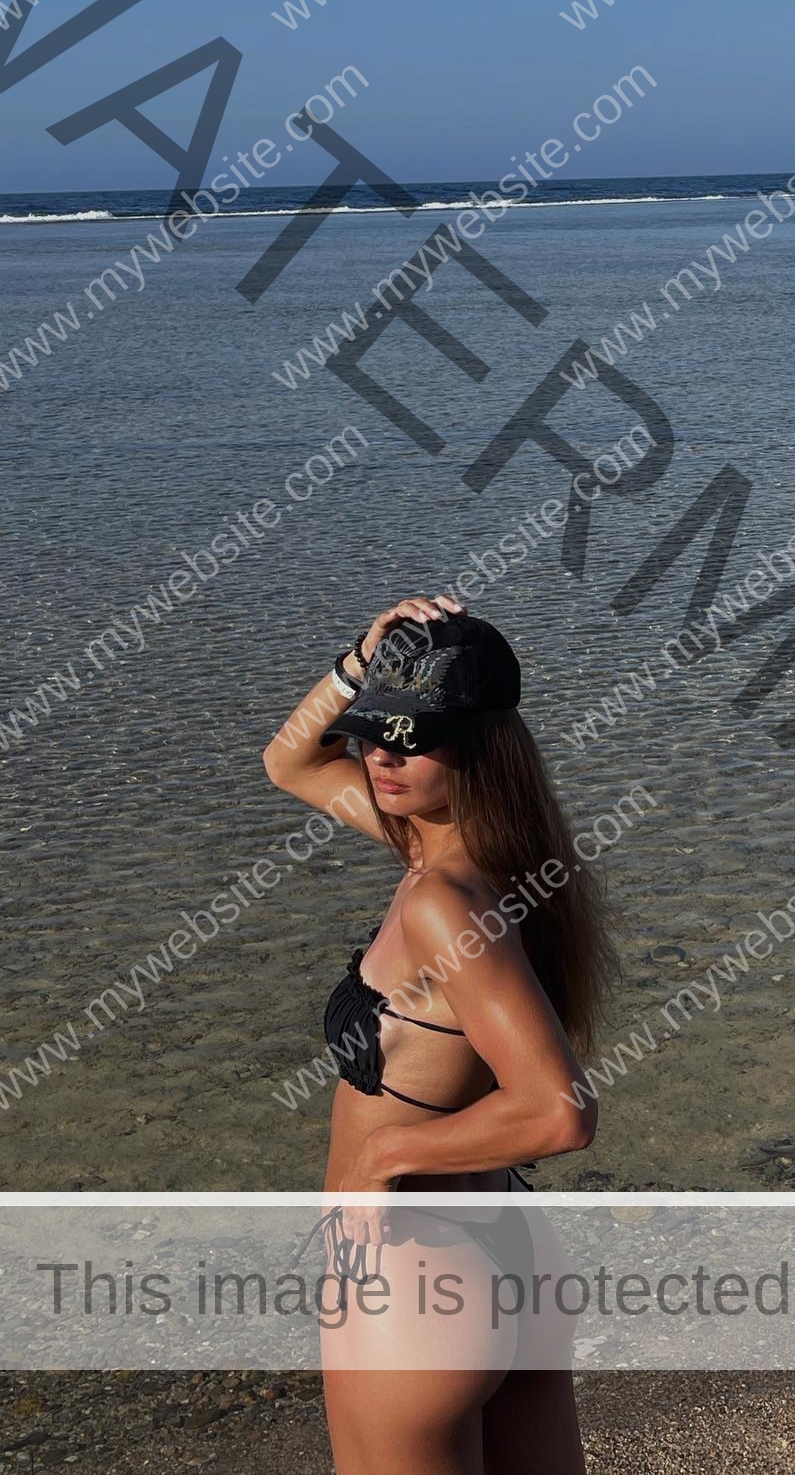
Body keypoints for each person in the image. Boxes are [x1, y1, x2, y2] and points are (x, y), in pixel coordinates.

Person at [263, 594, 615, 1475]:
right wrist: (359, 661)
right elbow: (290, 761)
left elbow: (559, 1111)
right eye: (374, 730)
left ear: (481, 748)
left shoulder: (440, 901)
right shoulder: (480, 858)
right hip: (509, 1246)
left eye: (412, 738)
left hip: (415, 1269)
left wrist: (381, 1158)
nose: (381, 755)